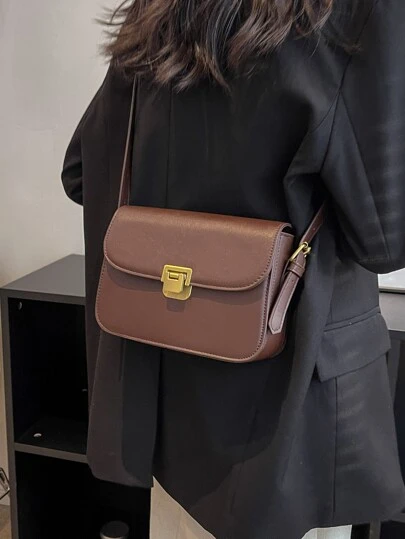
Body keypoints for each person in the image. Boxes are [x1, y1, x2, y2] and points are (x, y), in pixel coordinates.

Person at [61, 0, 405, 538]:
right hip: (289, 420)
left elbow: (82, 172)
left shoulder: (156, 12)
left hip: (164, 399)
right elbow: (385, 239)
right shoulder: (358, 11)